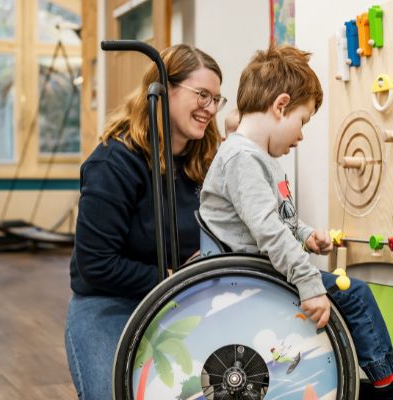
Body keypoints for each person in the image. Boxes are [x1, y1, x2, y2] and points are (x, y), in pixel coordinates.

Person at [199, 46, 393, 400]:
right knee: (354, 294)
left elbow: (278, 221)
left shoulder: (257, 157)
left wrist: (307, 236)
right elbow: (269, 231)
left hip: (262, 269)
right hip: (250, 278)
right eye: (302, 121)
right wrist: (309, 285)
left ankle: (373, 382)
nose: (302, 135)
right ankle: (389, 389)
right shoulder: (242, 159)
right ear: (280, 106)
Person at [64, 44, 225, 400]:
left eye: (216, 99)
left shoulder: (207, 161)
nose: (210, 108)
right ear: (163, 90)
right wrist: (172, 278)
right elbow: (95, 266)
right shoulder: (113, 162)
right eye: (202, 95)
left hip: (183, 300)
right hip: (111, 302)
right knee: (113, 394)